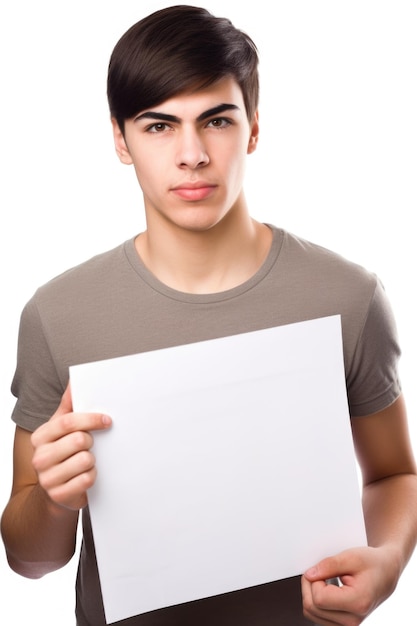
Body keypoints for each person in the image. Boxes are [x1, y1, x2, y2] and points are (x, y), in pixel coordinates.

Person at [1, 5, 417, 625]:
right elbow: (30, 561)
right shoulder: (59, 314)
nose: (192, 154)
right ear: (120, 139)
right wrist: (56, 503)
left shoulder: (347, 296)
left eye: (216, 120)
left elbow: (393, 475)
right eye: (159, 125)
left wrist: (387, 563)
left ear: (252, 129)